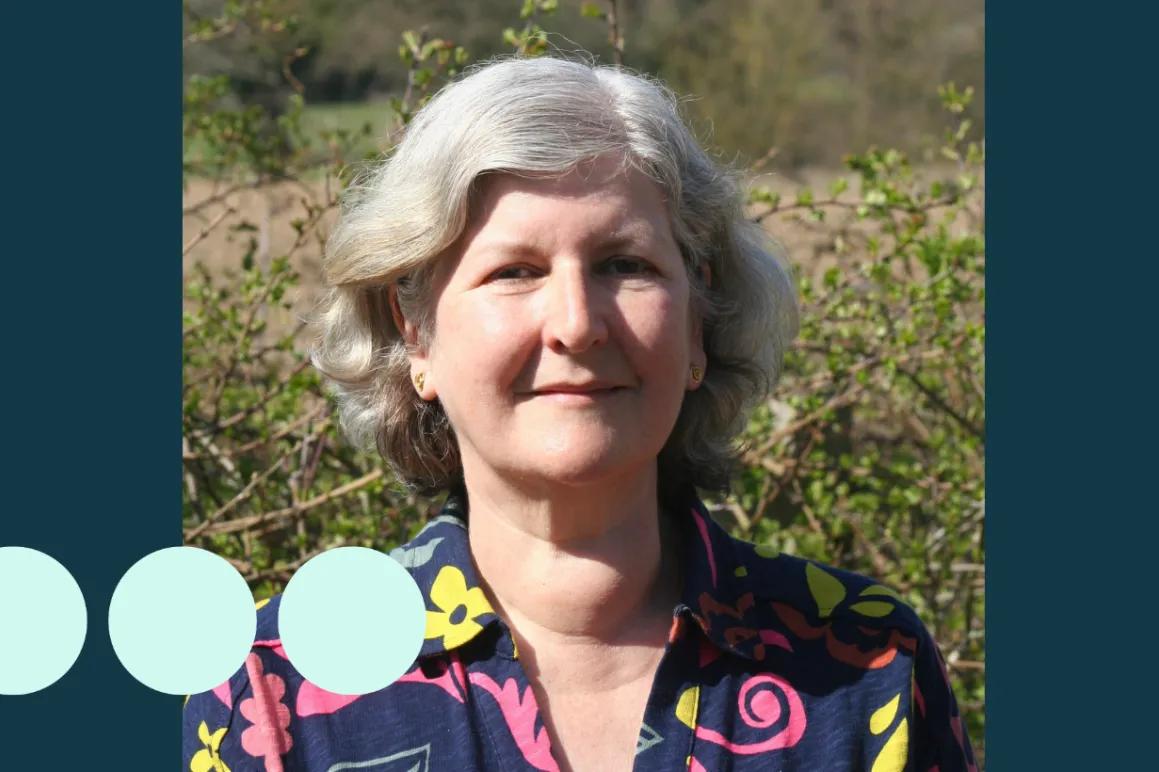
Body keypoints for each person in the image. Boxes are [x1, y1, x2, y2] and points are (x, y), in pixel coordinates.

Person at [183, 55, 977, 772]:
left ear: (698, 322)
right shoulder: (273, 687)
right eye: (514, 271)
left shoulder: (863, 666)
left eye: (623, 265)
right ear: (413, 332)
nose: (575, 322)